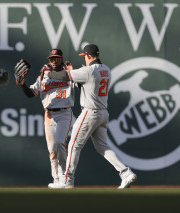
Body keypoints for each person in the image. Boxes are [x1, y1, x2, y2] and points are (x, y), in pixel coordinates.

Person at [47, 44, 137, 188]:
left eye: (85, 56)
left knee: (73, 145)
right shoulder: (106, 70)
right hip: (103, 113)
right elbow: (87, 85)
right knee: (103, 147)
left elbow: (64, 76)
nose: (85, 59)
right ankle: (126, 173)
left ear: (88, 56)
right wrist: (75, 71)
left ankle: (66, 181)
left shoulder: (88, 71)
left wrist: (48, 74)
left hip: (90, 112)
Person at [18, 49, 75, 188]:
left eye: (57, 58)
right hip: (49, 114)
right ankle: (56, 180)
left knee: (60, 143)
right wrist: (22, 84)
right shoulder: (43, 76)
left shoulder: (68, 74)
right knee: (52, 149)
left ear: (61, 59)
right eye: (51, 59)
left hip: (64, 113)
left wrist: (72, 72)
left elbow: (78, 84)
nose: (54, 61)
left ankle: (65, 178)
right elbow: (32, 93)